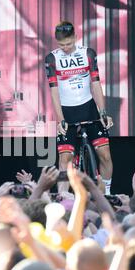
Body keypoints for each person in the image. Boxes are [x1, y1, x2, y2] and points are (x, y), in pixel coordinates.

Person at [45, 21, 114, 195]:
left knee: (105, 155)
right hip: (67, 112)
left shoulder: (88, 54)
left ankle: (106, 194)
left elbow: (96, 84)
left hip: (89, 108)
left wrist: (103, 112)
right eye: (61, 45)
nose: (66, 48)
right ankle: (62, 197)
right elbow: (54, 92)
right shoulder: (52, 58)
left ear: (76, 37)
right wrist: (60, 119)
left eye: (69, 43)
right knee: (65, 158)